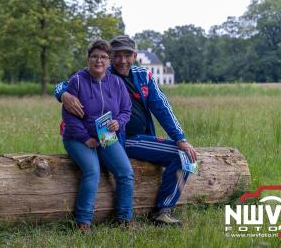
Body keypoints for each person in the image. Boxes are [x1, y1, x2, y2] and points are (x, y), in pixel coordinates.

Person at [55, 35, 197, 226]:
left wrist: (180, 138)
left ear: (135, 55)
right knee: (180, 157)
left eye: (127, 55)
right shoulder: (103, 69)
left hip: (137, 137)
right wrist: (63, 94)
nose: (122, 60)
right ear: (111, 57)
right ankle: (156, 213)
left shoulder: (142, 75)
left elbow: (162, 107)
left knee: (184, 156)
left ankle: (163, 209)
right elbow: (66, 84)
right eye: (118, 55)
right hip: (119, 138)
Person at [61, 39, 133, 233]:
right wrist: (86, 138)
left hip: (107, 136)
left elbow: (126, 109)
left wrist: (119, 122)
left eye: (103, 57)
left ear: (109, 60)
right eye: (94, 56)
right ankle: (83, 222)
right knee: (92, 171)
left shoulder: (116, 82)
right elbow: (69, 116)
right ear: (88, 58)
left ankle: (124, 219)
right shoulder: (77, 80)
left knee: (126, 173)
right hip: (77, 138)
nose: (98, 60)